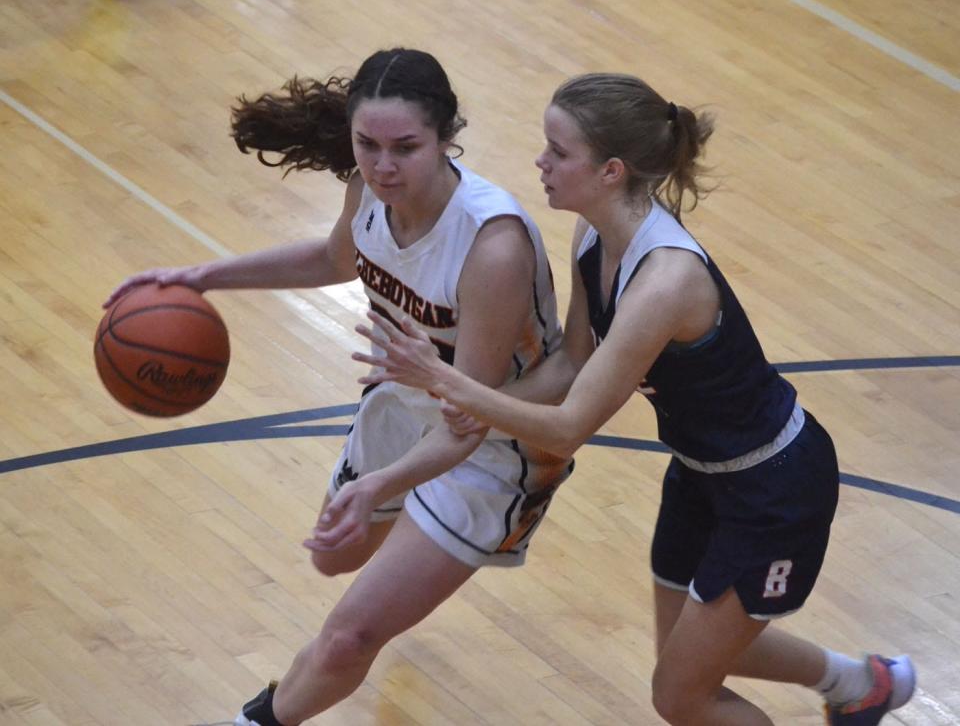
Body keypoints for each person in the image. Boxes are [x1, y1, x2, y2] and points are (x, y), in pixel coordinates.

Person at [348, 73, 917, 726]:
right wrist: (474, 404)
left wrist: (448, 382)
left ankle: (856, 685)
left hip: (774, 487)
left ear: (611, 170)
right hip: (701, 474)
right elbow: (572, 362)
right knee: (690, 655)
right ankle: (858, 683)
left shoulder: (665, 281)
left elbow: (567, 428)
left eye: (558, 153)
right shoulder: (593, 236)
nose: (541, 162)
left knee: (681, 694)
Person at [104, 48, 572, 726]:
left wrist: (379, 485)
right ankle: (402, 569)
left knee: (350, 633)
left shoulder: (490, 245)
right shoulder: (370, 188)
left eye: (405, 148)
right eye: (367, 145)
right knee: (334, 560)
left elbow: (468, 417)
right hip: (401, 405)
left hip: (494, 445)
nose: (383, 166)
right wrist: (200, 277)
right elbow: (333, 257)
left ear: (447, 136)